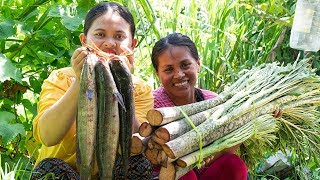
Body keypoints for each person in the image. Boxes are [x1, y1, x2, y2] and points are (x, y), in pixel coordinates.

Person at [31, 2, 153, 179]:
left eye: (119, 37)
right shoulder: (61, 78)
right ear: (84, 41)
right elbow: (48, 137)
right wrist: (81, 80)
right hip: (65, 173)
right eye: (100, 34)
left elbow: (133, 146)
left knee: (139, 164)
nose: (109, 43)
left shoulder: (140, 89)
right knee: (49, 169)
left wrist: (123, 84)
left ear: (132, 44)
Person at [151, 32, 248, 180]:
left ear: (198, 64)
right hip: (169, 175)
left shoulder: (213, 101)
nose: (178, 74)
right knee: (185, 176)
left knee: (233, 164)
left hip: (205, 173)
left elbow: (228, 146)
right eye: (168, 69)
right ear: (157, 73)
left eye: (185, 65)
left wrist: (263, 113)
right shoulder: (153, 106)